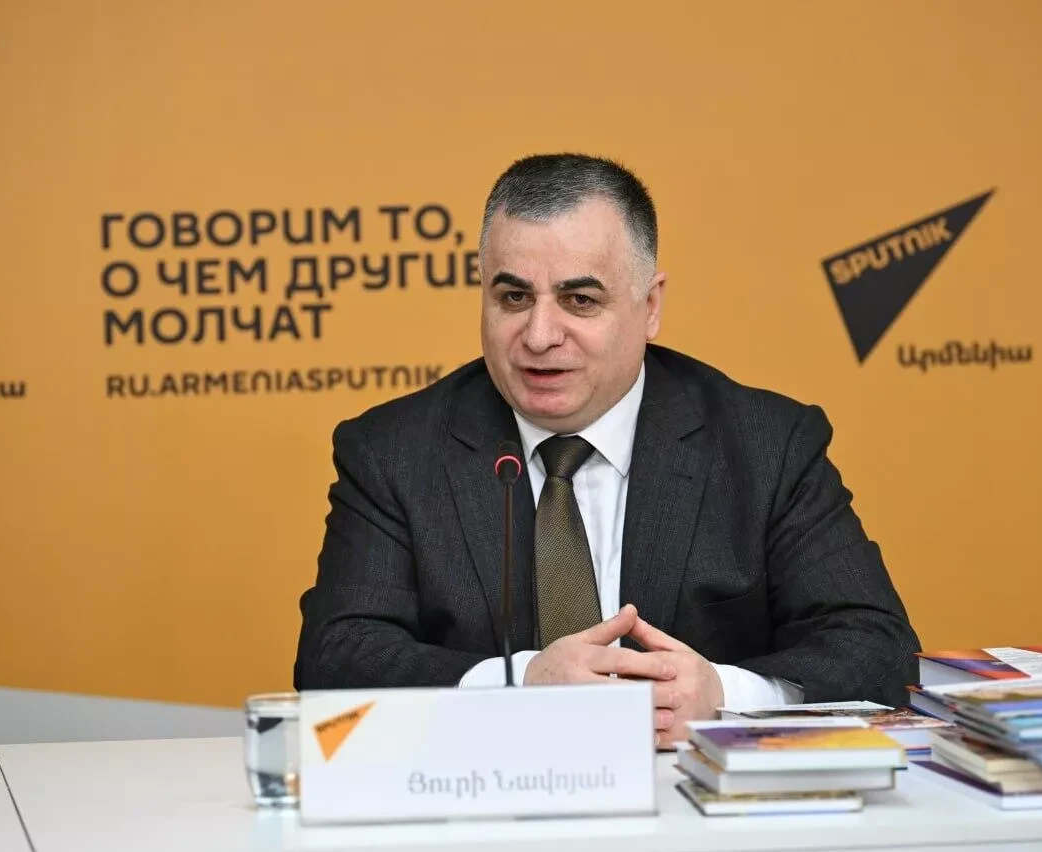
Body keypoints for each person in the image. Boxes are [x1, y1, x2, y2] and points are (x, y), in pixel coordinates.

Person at [294, 153, 920, 747]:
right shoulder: (394, 452)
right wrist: (517, 686)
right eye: (513, 298)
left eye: (580, 300)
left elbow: (877, 649)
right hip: (482, 795)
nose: (539, 336)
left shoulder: (766, 446)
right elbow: (333, 659)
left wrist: (722, 694)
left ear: (650, 307)